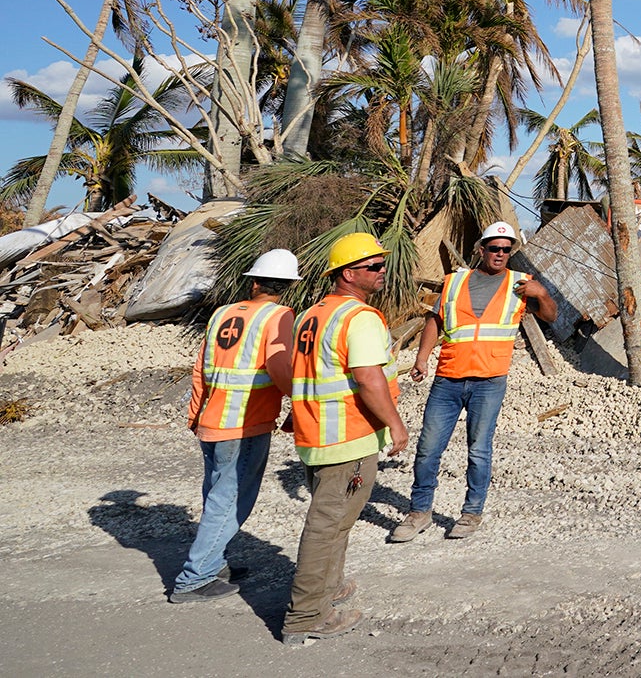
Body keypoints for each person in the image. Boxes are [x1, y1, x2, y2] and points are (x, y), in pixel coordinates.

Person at [390, 221, 555, 544]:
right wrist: (422, 358)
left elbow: (551, 316)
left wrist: (543, 294)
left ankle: (471, 512)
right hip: (448, 378)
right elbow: (435, 320)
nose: (501, 254)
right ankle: (419, 512)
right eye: (495, 248)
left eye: (507, 249)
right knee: (428, 449)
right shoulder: (455, 281)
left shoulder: (522, 284)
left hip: (489, 381)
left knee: (479, 450)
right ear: (481, 250)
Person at [283, 230, 408, 646]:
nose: (382, 271)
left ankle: (329, 587)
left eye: (381, 264)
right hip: (347, 437)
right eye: (373, 266)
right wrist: (395, 424)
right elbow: (369, 379)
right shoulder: (360, 318)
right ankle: (306, 616)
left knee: (335, 522)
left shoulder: (312, 314)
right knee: (327, 526)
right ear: (349, 274)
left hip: (315, 433)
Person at [170, 248, 299, 602]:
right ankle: (195, 577)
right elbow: (280, 368)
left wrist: (194, 414)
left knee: (215, 496)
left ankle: (214, 561)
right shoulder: (279, 316)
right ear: (288, 286)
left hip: (211, 420)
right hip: (245, 423)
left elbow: (201, 368)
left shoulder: (222, 313)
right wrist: (300, 400)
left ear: (254, 282)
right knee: (229, 500)